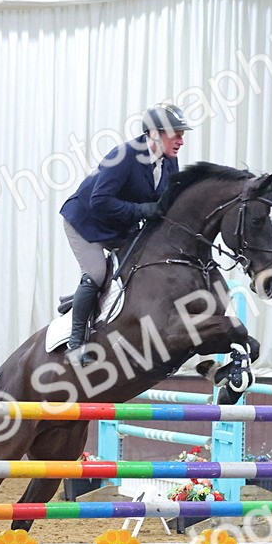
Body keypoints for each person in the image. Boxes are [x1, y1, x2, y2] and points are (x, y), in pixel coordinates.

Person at [58, 103, 191, 364]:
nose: (181, 140)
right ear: (154, 133)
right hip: (85, 222)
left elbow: (165, 202)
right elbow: (99, 200)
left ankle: (77, 300)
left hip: (119, 225)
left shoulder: (169, 162)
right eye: (175, 133)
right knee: (96, 273)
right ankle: (76, 344)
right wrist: (142, 209)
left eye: (182, 134)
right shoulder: (124, 156)